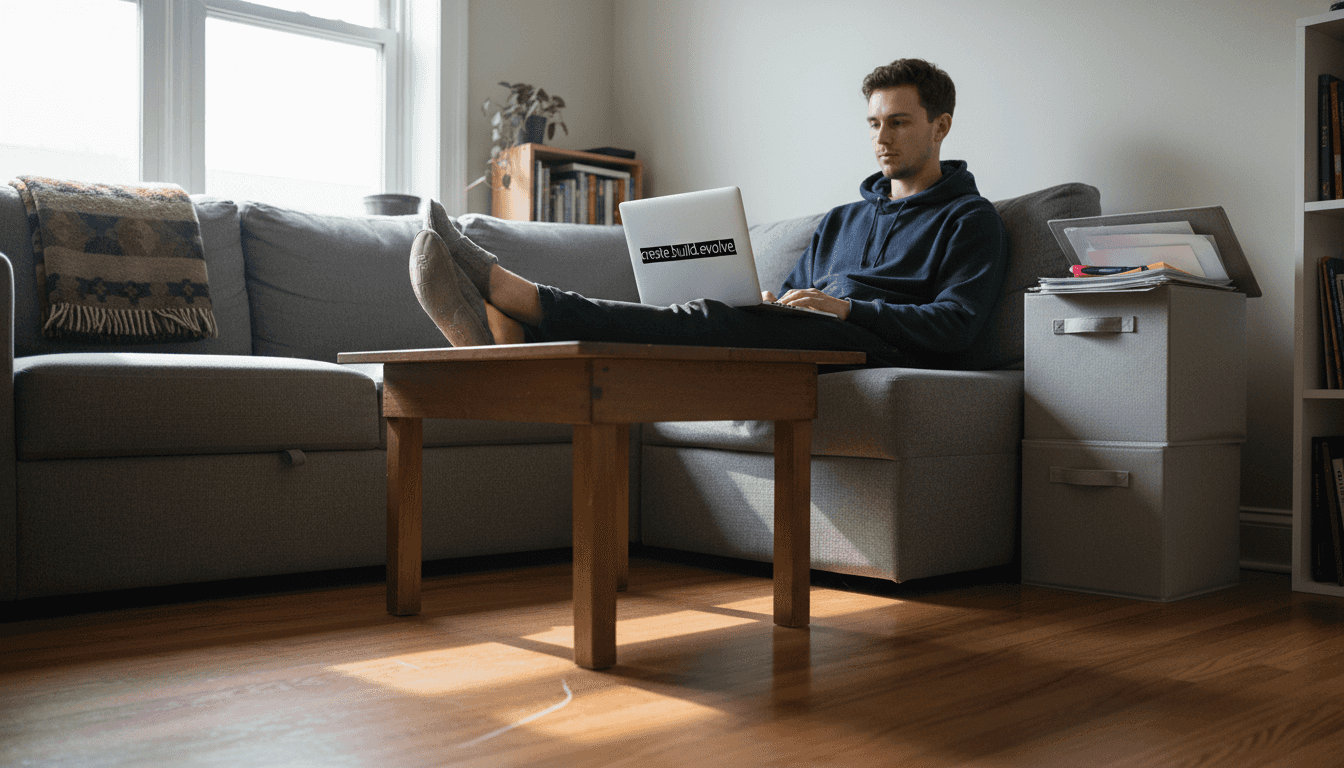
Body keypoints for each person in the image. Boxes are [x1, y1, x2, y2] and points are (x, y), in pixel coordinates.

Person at [410, 58, 1009, 370]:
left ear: (941, 126)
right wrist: (776, 301)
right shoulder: (844, 219)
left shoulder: (970, 221)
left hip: (872, 347)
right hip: (810, 334)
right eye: (874, 123)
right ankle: (516, 335)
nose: (882, 138)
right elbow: (792, 295)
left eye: (899, 122)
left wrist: (851, 307)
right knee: (717, 319)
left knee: (710, 320)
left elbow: (955, 326)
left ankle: (520, 300)